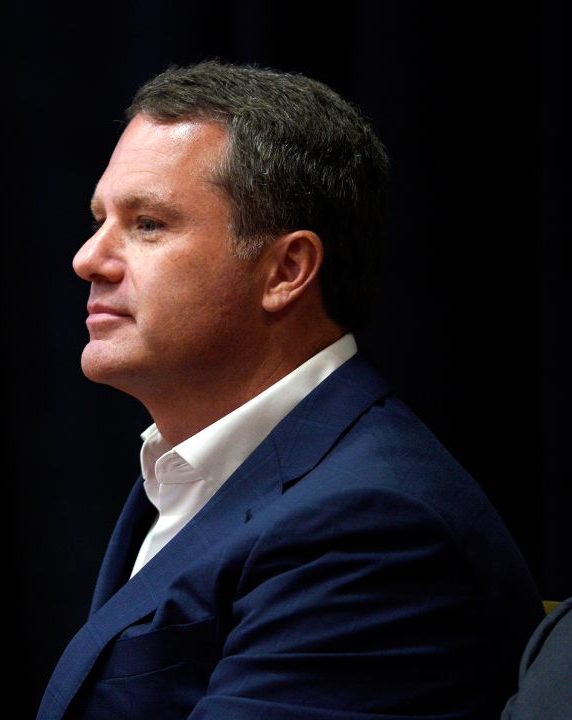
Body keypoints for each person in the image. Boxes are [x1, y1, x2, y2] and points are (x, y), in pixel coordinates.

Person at [37, 61, 544, 720]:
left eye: (148, 224)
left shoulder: (373, 527)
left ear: (286, 270)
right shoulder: (190, 466)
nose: (87, 258)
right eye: (101, 218)